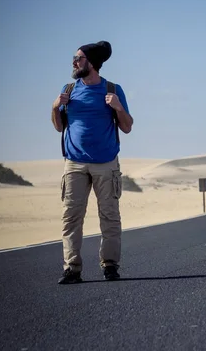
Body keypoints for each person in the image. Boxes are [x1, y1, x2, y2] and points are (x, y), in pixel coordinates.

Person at [50, 40, 134, 284]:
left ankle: (110, 266)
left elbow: (127, 127)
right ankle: (72, 268)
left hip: (106, 162)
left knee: (109, 216)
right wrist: (56, 107)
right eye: (74, 58)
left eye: (79, 58)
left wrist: (118, 108)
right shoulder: (68, 90)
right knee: (71, 216)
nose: (74, 62)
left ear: (92, 63)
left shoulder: (113, 89)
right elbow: (58, 127)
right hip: (74, 163)